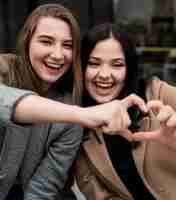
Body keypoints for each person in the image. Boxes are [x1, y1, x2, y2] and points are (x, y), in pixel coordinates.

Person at [0, 5, 146, 200]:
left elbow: (43, 188)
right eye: (46, 41)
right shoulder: (4, 68)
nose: (58, 55)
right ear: (27, 41)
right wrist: (83, 114)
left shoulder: (70, 107)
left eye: (67, 45)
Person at [74, 22, 176, 200]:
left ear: (130, 68)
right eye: (94, 64)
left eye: (117, 65)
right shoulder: (79, 122)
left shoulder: (157, 93)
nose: (104, 74)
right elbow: (99, 194)